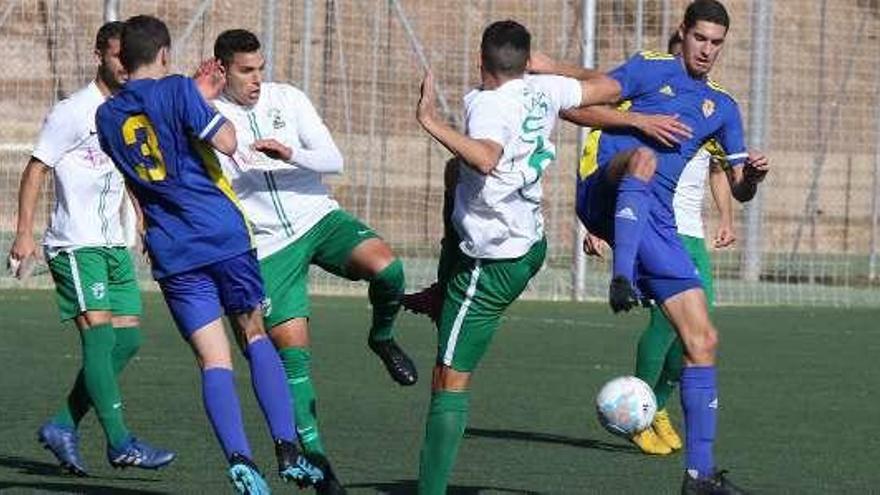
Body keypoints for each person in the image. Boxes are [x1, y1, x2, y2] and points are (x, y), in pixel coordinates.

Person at [538, 1, 769, 492]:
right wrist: (640, 122)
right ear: (682, 33)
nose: (707, 50)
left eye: (716, 43)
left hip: (658, 225)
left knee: (702, 340)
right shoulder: (648, 69)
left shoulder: (723, 108)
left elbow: (740, 188)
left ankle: (699, 476)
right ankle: (621, 278)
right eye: (700, 38)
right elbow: (575, 104)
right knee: (643, 157)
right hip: (606, 191)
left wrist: (752, 179)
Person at [95, 15, 323, 494]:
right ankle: (286, 447)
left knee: (213, 360)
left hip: (172, 250)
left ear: (123, 59)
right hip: (222, 236)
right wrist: (201, 99)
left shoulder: (106, 116)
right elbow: (227, 140)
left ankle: (240, 460)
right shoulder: (177, 89)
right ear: (163, 55)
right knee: (253, 333)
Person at [209, 28, 418, 495]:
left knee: (390, 269)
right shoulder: (208, 117)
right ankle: (320, 468)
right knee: (294, 359)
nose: (257, 79)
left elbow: (333, 160)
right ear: (221, 70)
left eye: (260, 69)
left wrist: (290, 153)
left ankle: (382, 337)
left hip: (318, 218)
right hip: (266, 246)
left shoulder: (289, 99)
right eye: (246, 71)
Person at [414, 20, 619, 494]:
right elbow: (606, 86)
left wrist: (430, 121)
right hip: (529, 243)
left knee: (448, 379)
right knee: (454, 175)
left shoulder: (485, 104)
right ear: (526, 62)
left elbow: (485, 156)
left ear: (479, 60)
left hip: (494, 260)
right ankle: (441, 291)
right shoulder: (542, 89)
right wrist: (550, 67)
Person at [7, 21, 175, 476]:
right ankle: (120, 441)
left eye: (129, 57)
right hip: (75, 244)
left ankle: (63, 425)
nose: (125, 65)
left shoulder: (125, 111)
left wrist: (142, 220)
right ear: (99, 53)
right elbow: (36, 169)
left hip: (113, 244)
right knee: (99, 338)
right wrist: (24, 233)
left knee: (129, 340)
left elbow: (130, 171)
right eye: (118, 55)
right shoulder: (72, 110)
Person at [574, 32, 736, 456]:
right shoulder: (639, 99)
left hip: (690, 229)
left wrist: (727, 216)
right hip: (647, 221)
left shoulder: (710, 107)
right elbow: (597, 147)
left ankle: (659, 407)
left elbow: (721, 169)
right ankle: (645, 410)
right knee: (667, 325)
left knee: (700, 334)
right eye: (691, 43)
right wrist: (595, 223)